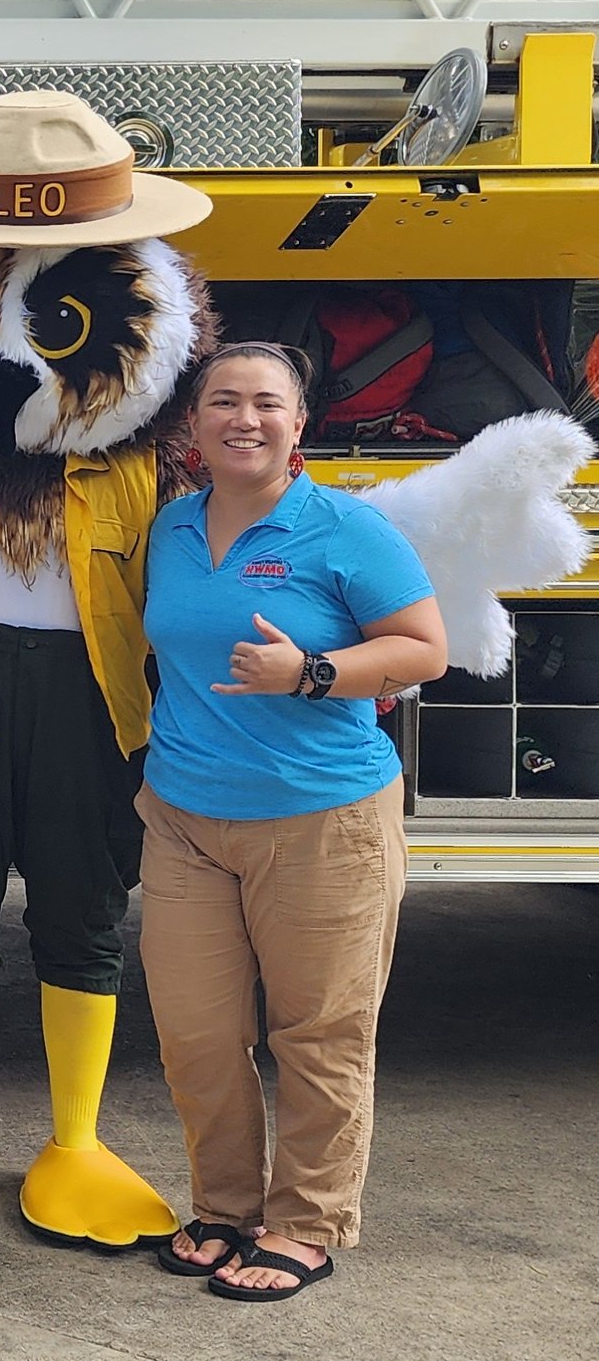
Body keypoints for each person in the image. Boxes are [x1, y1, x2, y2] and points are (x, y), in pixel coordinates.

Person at [138, 343, 447, 1301]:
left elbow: (424, 652)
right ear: (190, 426)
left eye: (266, 404)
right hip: (187, 816)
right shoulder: (172, 529)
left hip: (323, 818)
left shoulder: (345, 527)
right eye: (222, 403)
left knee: (318, 1032)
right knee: (196, 1033)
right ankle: (224, 1207)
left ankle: (307, 1222)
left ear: (299, 423)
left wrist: (311, 673)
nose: (245, 420)